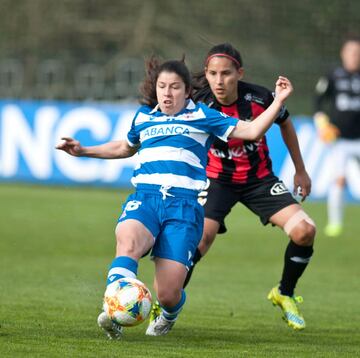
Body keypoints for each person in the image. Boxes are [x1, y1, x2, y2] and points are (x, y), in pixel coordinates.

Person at [56, 56, 293, 339]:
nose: (167, 94)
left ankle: (168, 314)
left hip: (184, 208)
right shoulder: (144, 117)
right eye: (162, 86)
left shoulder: (204, 116)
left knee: (168, 293)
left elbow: (251, 130)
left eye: (175, 87)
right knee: (128, 240)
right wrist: (83, 151)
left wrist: (278, 102)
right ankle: (114, 311)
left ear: (187, 91)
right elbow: (124, 147)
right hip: (146, 198)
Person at [166, 43, 315, 331]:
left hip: (259, 180)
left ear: (239, 73)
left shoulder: (260, 98)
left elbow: (285, 123)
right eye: (212, 74)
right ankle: (167, 304)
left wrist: (300, 170)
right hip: (216, 180)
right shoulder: (198, 102)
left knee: (305, 231)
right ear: (206, 75)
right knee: (199, 240)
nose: (219, 81)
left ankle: (283, 293)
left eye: (226, 73)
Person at [314, 35, 360, 237]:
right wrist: (322, 123)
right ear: (343, 53)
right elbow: (318, 101)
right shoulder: (333, 75)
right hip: (339, 140)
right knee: (339, 179)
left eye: (357, 53)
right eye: (351, 52)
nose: (354, 56)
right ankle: (335, 224)